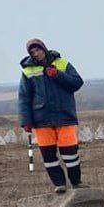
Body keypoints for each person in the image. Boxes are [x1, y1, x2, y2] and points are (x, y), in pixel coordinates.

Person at [18, 38, 85, 192]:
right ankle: (59, 185)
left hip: (64, 116)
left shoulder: (62, 64)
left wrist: (58, 75)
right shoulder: (28, 71)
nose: (36, 53)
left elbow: (77, 83)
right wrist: (26, 121)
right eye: (33, 52)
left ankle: (76, 182)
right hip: (41, 120)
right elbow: (24, 97)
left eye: (38, 50)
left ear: (44, 48)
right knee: (48, 155)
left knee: (70, 153)